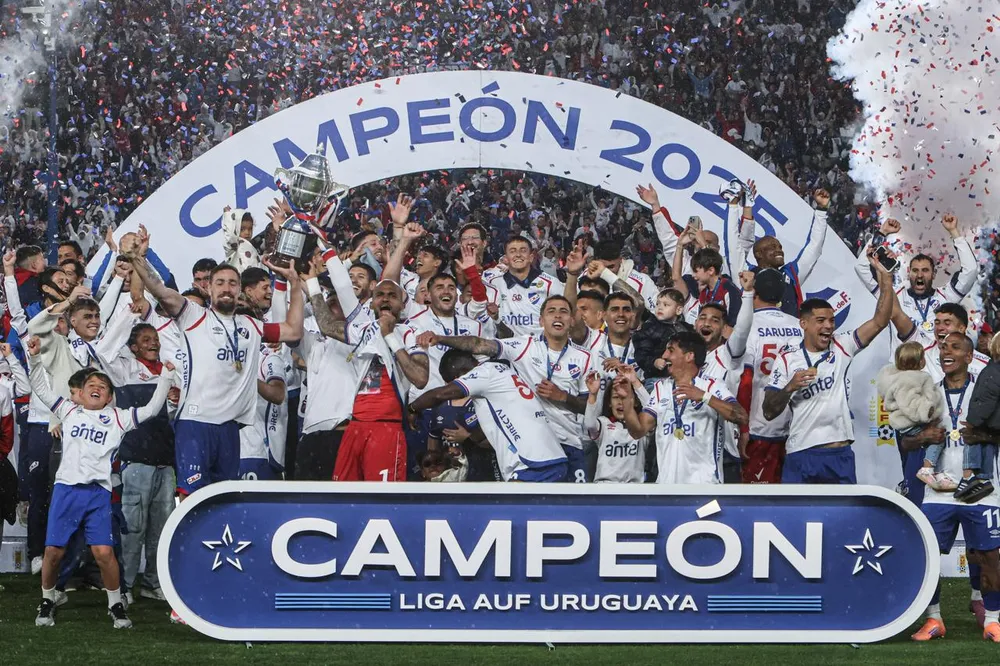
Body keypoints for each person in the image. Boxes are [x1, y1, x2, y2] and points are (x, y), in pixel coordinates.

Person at [121, 224, 304, 496]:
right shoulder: (193, 315)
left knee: (223, 501)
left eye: (232, 283)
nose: (226, 288)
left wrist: (295, 285)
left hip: (230, 429)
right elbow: (160, 290)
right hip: (195, 423)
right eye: (220, 283)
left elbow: (294, 331)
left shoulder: (251, 326)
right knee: (193, 499)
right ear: (209, 288)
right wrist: (138, 258)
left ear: (240, 290)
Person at [27, 336, 173, 629]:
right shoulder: (68, 411)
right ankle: (47, 599)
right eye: (91, 385)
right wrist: (33, 358)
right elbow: (41, 388)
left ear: (109, 398)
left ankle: (115, 604)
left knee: (104, 553)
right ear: (79, 394)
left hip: (98, 493)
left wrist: (167, 377)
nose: (97, 387)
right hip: (67, 490)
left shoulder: (118, 418)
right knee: (53, 552)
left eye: (103, 386)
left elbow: (151, 409)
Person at [762, 248, 898, 483]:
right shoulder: (786, 358)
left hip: (839, 453)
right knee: (794, 508)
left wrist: (885, 279)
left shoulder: (842, 345)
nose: (828, 326)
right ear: (803, 324)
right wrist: (790, 387)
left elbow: (880, 321)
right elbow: (768, 411)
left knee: (845, 509)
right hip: (800, 452)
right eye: (820, 321)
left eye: (831, 320)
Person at [424, 295, 592, 482]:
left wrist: (563, 397)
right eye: (551, 311)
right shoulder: (524, 346)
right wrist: (441, 339)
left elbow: (589, 408)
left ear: (572, 321)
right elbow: (479, 345)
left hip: (570, 441)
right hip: (534, 445)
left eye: (564, 311)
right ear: (541, 320)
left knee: (572, 500)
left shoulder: (584, 358)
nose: (558, 316)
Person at [905, 333, 1000, 642]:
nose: (946, 351)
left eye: (955, 347)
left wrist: (982, 436)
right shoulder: (928, 393)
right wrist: (923, 438)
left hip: (982, 488)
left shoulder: (986, 390)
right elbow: (905, 440)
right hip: (938, 490)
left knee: (990, 556)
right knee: (927, 554)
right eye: (943, 347)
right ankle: (933, 619)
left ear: (969, 357)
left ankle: (993, 621)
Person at [309, 279, 428, 481]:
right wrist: (312, 282)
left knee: (381, 495)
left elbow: (420, 378)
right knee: (343, 493)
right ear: (372, 303)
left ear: (402, 305)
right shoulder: (364, 330)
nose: (386, 299)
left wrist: (389, 336)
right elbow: (327, 326)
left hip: (386, 428)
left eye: (392, 296)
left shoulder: (411, 333)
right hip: (355, 426)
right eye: (380, 295)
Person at [408, 349, 568, 482]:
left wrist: (412, 408)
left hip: (531, 464)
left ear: (459, 377)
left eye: (450, 383)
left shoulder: (484, 373)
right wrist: (469, 436)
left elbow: (439, 395)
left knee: (512, 509)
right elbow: (489, 432)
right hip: (549, 458)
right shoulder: (499, 374)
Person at [621, 330, 748, 484]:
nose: (664, 355)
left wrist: (704, 397)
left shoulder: (712, 386)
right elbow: (638, 431)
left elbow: (741, 417)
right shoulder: (661, 388)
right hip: (666, 486)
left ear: (689, 356)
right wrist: (627, 400)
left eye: (671, 350)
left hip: (705, 486)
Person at [857, 214, 977, 334]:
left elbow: (970, 270)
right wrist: (882, 233)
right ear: (909, 273)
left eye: (925, 270)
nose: (920, 275)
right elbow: (861, 268)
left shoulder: (947, 297)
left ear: (934, 274)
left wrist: (954, 232)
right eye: (915, 270)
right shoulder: (893, 296)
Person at [739, 268, 803, 483]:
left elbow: (745, 381)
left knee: (758, 497)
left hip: (760, 427)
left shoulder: (748, 326)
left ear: (755, 292)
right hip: (797, 427)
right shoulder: (799, 325)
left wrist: (743, 427)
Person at [727, 187, 831, 316]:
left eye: (780, 247)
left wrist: (821, 211)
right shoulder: (747, 275)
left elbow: (814, 247)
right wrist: (733, 206)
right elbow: (734, 246)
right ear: (758, 254)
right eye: (772, 247)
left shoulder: (791, 275)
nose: (779, 251)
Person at [875, 342, 952, 490]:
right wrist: (927, 412)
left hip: (906, 426)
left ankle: (932, 469)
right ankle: (928, 469)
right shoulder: (912, 379)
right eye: (923, 357)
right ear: (919, 361)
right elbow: (910, 405)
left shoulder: (896, 379)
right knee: (937, 437)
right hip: (912, 426)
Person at [584, 366, 647, 483]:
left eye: (625, 397)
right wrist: (593, 395)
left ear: (635, 402)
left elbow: (653, 410)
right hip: (605, 486)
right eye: (615, 397)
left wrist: (635, 382)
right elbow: (589, 425)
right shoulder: (604, 424)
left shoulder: (642, 427)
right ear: (609, 403)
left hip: (634, 489)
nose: (620, 402)